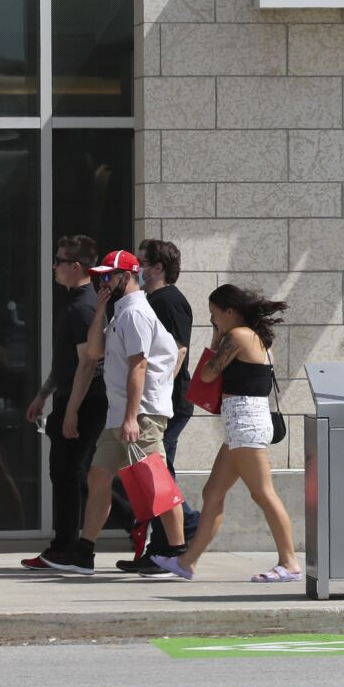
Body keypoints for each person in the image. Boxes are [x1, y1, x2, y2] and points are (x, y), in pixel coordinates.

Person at [44, 250, 185, 575]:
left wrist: (132, 418)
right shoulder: (120, 311)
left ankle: (175, 551)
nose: (101, 282)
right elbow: (94, 352)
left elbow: (139, 367)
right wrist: (100, 310)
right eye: (99, 278)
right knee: (98, 476)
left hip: (142, 414)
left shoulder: (136, 313)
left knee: (156, 482)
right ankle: (85, 551)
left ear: (128, 276)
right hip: (121, 415)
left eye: (108, 276)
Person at [155, 285, 301, 582]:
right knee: (213, 492)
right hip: (241, 425)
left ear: (229, 312)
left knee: (263, 493)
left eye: (215, 316)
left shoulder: (236, 336)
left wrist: (217, 336)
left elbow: (208, 373)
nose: (215, 322)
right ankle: (187, 562)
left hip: (245, 424)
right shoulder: (255, 337)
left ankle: (290, 563)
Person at [20, 235, 109, 571]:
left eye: (58, 261)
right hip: (72, 399)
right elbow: (68, 365)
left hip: (84, 402)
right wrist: (44, 395)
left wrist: (71, 411)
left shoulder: (83, 307)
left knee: (68, 473)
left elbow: (90, 365)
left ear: (75, 266)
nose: (54, 267)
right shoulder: (77, 304)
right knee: (71, 473)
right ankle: (66, 547)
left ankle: (66, 548)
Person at [117, 238, 200, 575]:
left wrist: (158, 394)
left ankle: (182, 531)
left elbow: (178, 350)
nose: (137, 268)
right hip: (164, 401)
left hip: (169, 402)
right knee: (156, 472)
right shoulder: (152, 300)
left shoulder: (168, 301)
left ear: (158, 268)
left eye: (142, 262)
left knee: (157, 472)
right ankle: (167, 542)